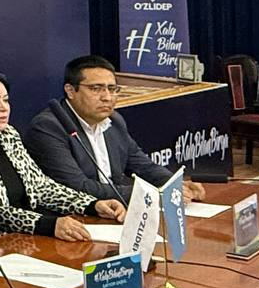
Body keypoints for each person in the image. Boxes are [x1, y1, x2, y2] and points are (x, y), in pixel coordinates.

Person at [0, 68, 125, 242]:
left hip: (25, 240)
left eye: (6, 100)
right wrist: (47, 225)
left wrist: (92, 205)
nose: (3, 108)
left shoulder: (8, 135)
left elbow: (41, 187)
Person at [26, 55, 207, 204]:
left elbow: (142, 165)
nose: (107, 97)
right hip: (75, 218)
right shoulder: (48, 127)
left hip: (115, 211)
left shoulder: (114, 121)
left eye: (112, 89)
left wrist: (173, 184)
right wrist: (150, 195)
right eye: (96, 89)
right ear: (70, 91)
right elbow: (77, 186)